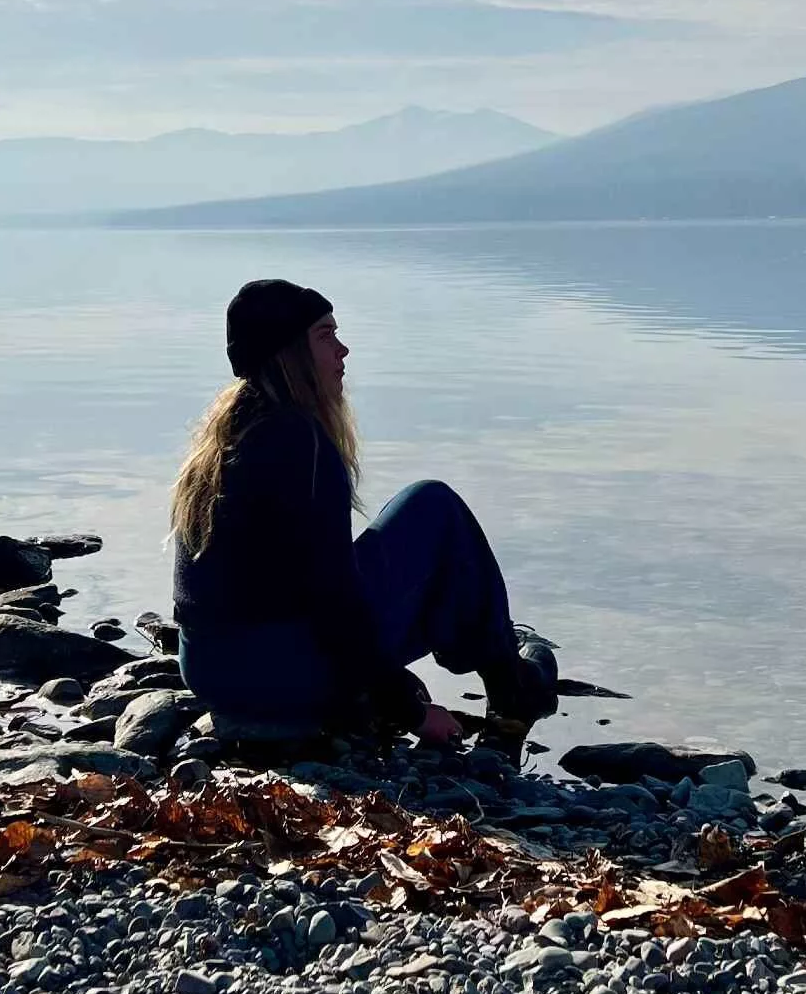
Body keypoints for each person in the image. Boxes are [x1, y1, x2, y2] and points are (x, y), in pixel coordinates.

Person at [169, 278, 556, 751]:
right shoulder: (301, 444)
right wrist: (410, 712)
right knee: (433, 508)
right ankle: (510, 683)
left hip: (210, 671)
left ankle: (493, 654)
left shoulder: (227, 435)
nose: (343, 350)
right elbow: (333, 600)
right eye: (326, 336)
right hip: (275, 677)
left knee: (409, 541)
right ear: (289, 354)